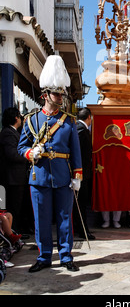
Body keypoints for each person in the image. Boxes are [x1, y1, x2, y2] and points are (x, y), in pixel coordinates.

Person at [18, 55, 83, 272]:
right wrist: (31, 152)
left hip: (63, 176)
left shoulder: (69, 121)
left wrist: (77, 176)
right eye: (56, 94)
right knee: (41, 220)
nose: (60, 97)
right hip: (39, 176)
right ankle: (44, 257)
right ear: (46, 95)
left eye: (61, 94)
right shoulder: (31, 119)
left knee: (65, 219)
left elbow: (75, 152)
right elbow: (20, 147)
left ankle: (66, 256)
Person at [0, 107, 33, 235]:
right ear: (16, 118)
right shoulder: (8, 133)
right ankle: (13, 232)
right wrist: (28, 156)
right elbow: (12, 154)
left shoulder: (14, 132)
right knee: (13, 207)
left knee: (18, 206)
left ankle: (16, 231)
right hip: (12, 178)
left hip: (17, 177)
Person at [74, 107, 95, 240]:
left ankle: (80, 228)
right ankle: (82, 230)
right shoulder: (81, 130)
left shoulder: (79, 128)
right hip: (80, 173)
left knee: (81, 203)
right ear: (89, 117)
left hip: (82, 173)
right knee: (81, 203)